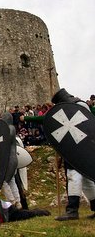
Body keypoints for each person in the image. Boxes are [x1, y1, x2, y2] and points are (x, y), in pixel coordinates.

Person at [50, 89, 95, 221]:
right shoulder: (81, 105)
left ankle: (72, 211)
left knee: (73, 176)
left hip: (77, 148)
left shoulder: (74, 108)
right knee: (87, 181)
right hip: (83, 148)